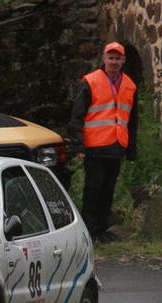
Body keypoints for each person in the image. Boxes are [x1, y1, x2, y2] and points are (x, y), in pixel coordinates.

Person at [68, 41, 138, 242]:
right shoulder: (90, 81)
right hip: (94, 147)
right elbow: (77, 115)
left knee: (108, 190)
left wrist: (131, 149)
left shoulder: (130, 85)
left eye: (118, 58)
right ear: (104, 59)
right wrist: (78, 144)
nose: (114, 62)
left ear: (123, 60)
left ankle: (100, 230)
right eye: (111, 58)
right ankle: (88, 231)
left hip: (116, 147)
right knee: (93, 189)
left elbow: (132, 120)